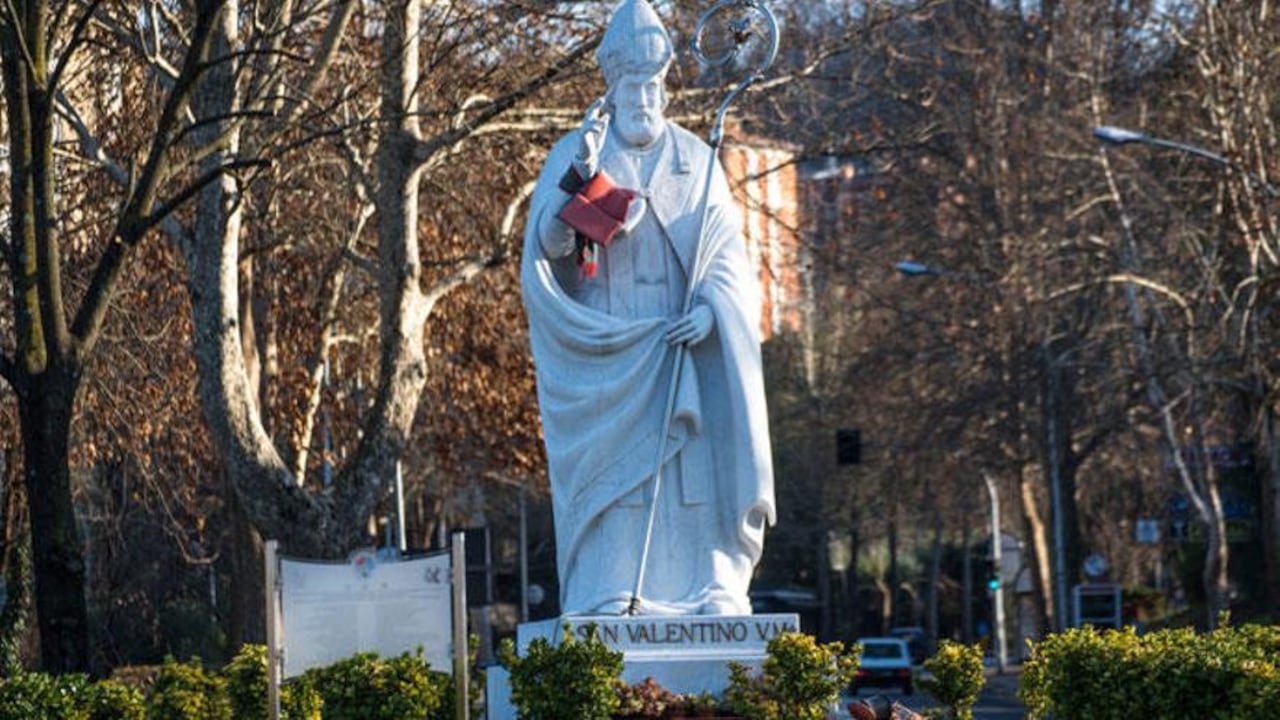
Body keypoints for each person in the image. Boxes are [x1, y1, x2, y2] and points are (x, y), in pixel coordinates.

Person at [521, 0, 774, 616]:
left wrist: (714, 314)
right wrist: (577, 181)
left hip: (680, 341)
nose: (643, 101)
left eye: (652, 88)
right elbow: (548, 250)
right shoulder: (581, 152)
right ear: (613, 88)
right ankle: (610, 586)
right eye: (631, 89)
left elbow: (728, 262)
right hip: (610, 348)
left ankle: (710, 584)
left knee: (692, 469)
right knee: (621, 477)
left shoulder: (696, 159)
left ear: (664, 88)